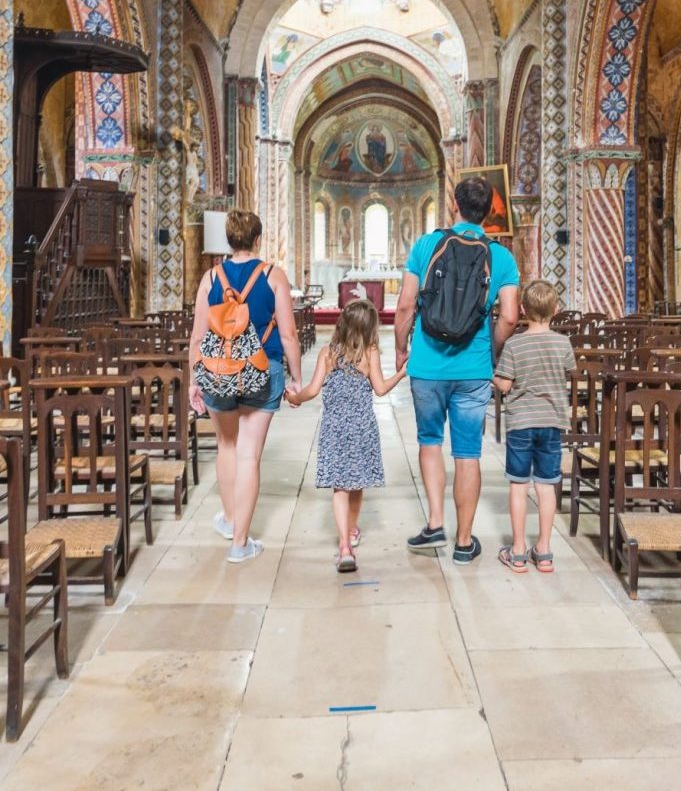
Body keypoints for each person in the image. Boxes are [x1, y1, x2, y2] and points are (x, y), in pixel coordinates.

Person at [394, 174, 520, 564]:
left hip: (428, 365)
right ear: (490, 210)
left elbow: (404, 306)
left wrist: (401, 349)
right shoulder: (500, 255)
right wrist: (492, 350)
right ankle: (464, 542)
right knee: (468, 453)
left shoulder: (427, 244)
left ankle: (435, 523)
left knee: (430, 441)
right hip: (473, 368)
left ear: (454, 205)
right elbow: (511, 317)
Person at [188, 209, 302, 564]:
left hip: (218, 371)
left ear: (229, 240)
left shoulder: (210, 278)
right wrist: (296, 378)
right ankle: (240, 543)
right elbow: (288, 333)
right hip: (262, 370)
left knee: (227, 446)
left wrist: (195, 379)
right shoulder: (274, 275)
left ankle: (231, 519)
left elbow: (197, 337)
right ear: (258, 239)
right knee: (249, 454)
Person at [286, 299, 405, 573]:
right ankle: (351, 531)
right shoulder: (370, 352)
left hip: (335, 427)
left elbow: (313, 390)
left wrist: (295, 398)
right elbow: (380, 389)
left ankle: (344, 547)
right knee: (357, 482)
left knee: (340, 486)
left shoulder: (328, 354)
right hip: (362, 427)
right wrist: (401, 374)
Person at [491, 280, 573, 573]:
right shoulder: (563, 343)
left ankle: (517, 551)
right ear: (556, 310)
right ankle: (545, 549)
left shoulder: (514, 344)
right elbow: (568, 371)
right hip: (551, 422)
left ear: (523, 309)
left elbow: (506, 384)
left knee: (518, 485)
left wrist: (491, 376)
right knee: (546, 486)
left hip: (521, 423)